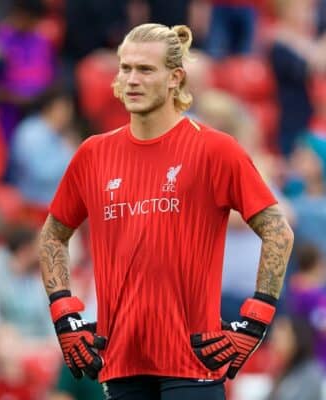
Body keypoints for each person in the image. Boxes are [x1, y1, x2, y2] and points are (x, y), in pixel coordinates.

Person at [38, 23, 295, 400]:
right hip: (121, 363)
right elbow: (52, 235)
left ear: (176, 78)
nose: (131, 79)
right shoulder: (93, 154)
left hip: (193, 362)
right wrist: (64, 311)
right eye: (125, 68)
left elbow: (278, 230)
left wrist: (256, 318)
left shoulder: (214, 150)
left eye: (145, 69)